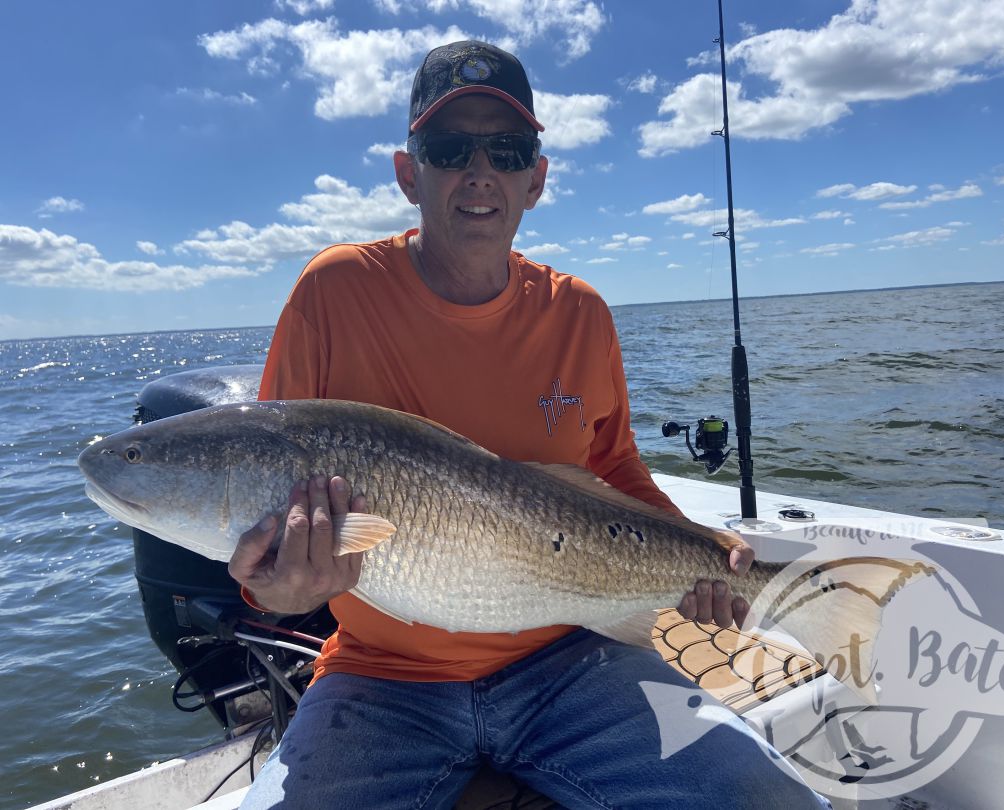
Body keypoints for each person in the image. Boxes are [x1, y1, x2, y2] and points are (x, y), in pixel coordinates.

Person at [231, 40, 829, 809]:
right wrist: (274, 592)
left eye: (507, 149)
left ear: (535, 180)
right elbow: (274, 492)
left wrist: (704, 554)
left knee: (771, 802)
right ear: (409, 173)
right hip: (381, 677)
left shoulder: (579, 313)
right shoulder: (333, 291)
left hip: (572, 657)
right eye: (450, 148)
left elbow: (614, 469)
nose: (480, 170)